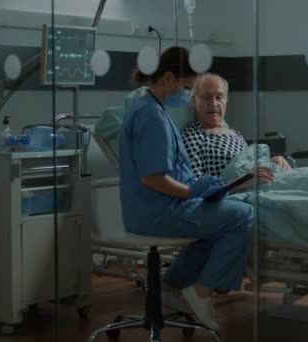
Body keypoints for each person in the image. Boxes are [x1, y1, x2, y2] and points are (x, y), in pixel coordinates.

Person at [119, 46, 254, 331]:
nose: (187, 93)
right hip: (157, 210)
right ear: (168, 78)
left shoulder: (154, 108)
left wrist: (203, 187)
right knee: (242, 215)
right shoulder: (151, 117)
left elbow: (171, 170)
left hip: (159, 205)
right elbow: (153, 178)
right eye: (188, 87)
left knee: (218, 222)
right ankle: (201, 292)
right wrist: (191, 193)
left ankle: (170, 286)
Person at [182, 73, 292, 185]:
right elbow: (194, 188)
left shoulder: (235, 134)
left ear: (226, 100)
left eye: (219, 97)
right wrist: (243, 181)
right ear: (195, 101)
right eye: (207, 97)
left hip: (269, 178)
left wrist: (272, 161)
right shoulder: (192, 137)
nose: (214, 103)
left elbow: (248, 164)